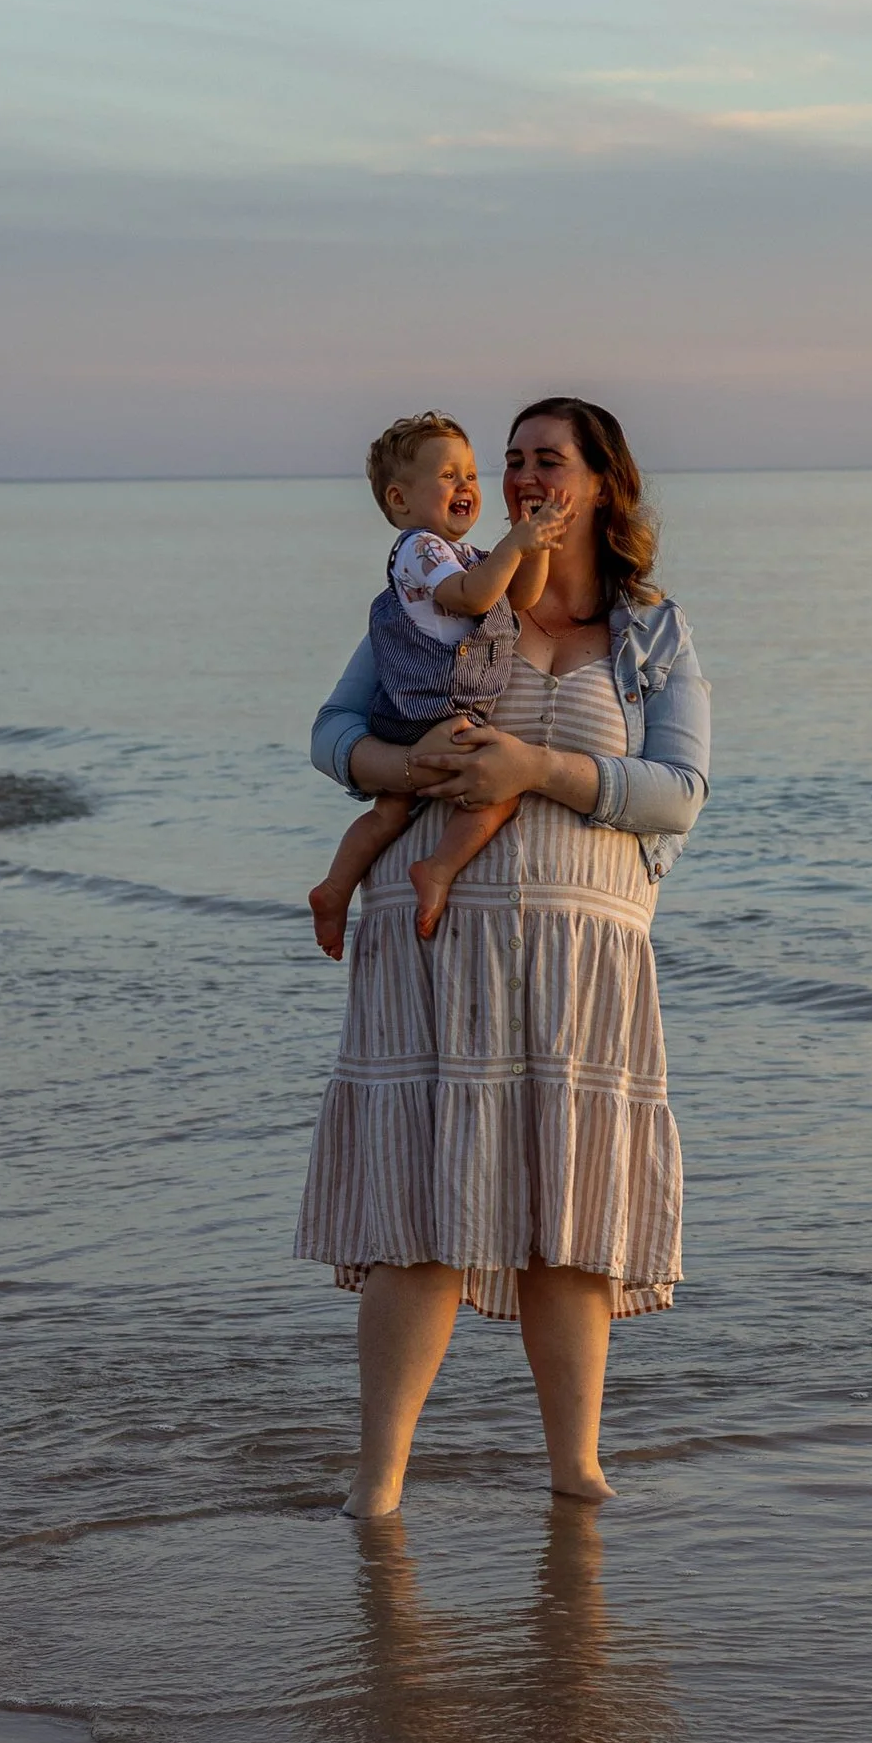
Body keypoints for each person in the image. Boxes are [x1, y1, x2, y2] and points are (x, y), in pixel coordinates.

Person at [298, 395, 712, 1518]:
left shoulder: (652, 633)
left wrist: (538, 770)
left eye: (549, 462)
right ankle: (377, 1485)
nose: (526, 479)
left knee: (568, 1225)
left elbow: (677, 796)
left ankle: (575, 1473)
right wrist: (402, 766)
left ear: (600, 483)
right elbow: (335, 732)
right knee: (421, 1218)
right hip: (434, 945)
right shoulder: (448, 596)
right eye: (515, 460)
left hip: (585, 955)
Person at [307, 412, 568, 958]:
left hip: (434, 711)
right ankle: (438, 868)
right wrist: (517, 541)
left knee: (389, 812)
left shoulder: (466, 555)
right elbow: (472, 598)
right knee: (499, 786)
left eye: (471, 475)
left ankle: (334, 889)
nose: (466, 486)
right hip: (426, 709)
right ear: (400, 501)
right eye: (448, 476)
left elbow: (517, 597)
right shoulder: (420, 551)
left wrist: (536, 541)